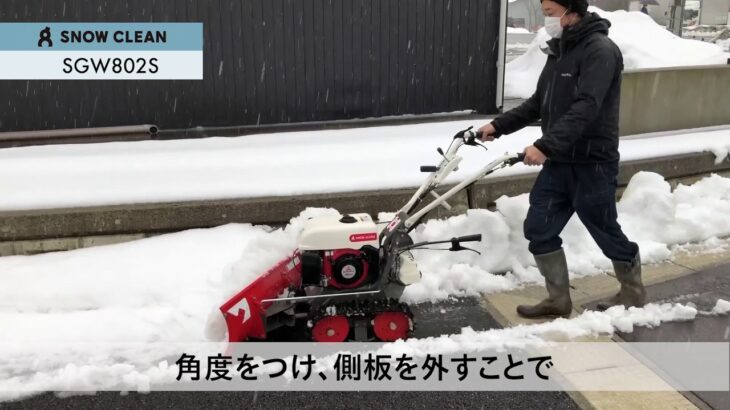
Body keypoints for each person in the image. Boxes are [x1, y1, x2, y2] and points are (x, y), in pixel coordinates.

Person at [478, 0, 646, 319]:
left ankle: (632, 292)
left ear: (572, 11)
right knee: (539, 228)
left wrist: (545, 145)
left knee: (604, 230)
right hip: (559, 165)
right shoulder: (559, 51)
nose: (546, 19)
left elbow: (587, 106)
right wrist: (496, 127)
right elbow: (538, 103)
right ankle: (558, 300)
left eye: (550, 12)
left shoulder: (601, 50)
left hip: (592, 163)